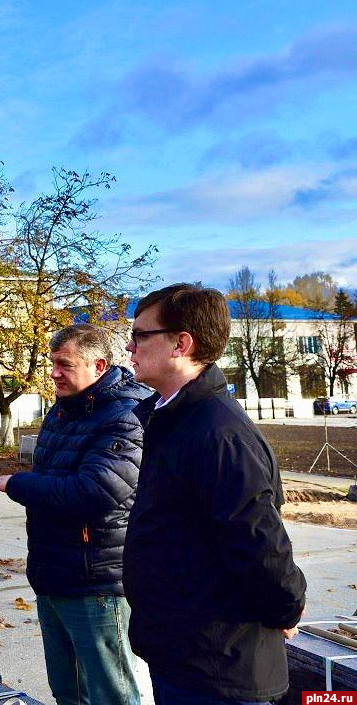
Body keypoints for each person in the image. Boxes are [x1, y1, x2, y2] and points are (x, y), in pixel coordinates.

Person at [122, 284, 306, 705]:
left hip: (219, 668)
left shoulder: (217, 432)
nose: (130, 347)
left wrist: (287, 608)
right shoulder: (174, 418)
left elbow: (260, 542)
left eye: (140, 335)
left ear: (181, 344)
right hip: (183, 653)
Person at [0, 324, 146, 705]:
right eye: (52, 363)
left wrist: (17, 484)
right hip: (54, 576)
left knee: (112, 695)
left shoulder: (125, 416)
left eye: (64, 364)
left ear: (99, 365)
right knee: (68, 693)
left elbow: (96, 492)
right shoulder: (63, 410)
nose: (53, 372)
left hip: (97, 584)